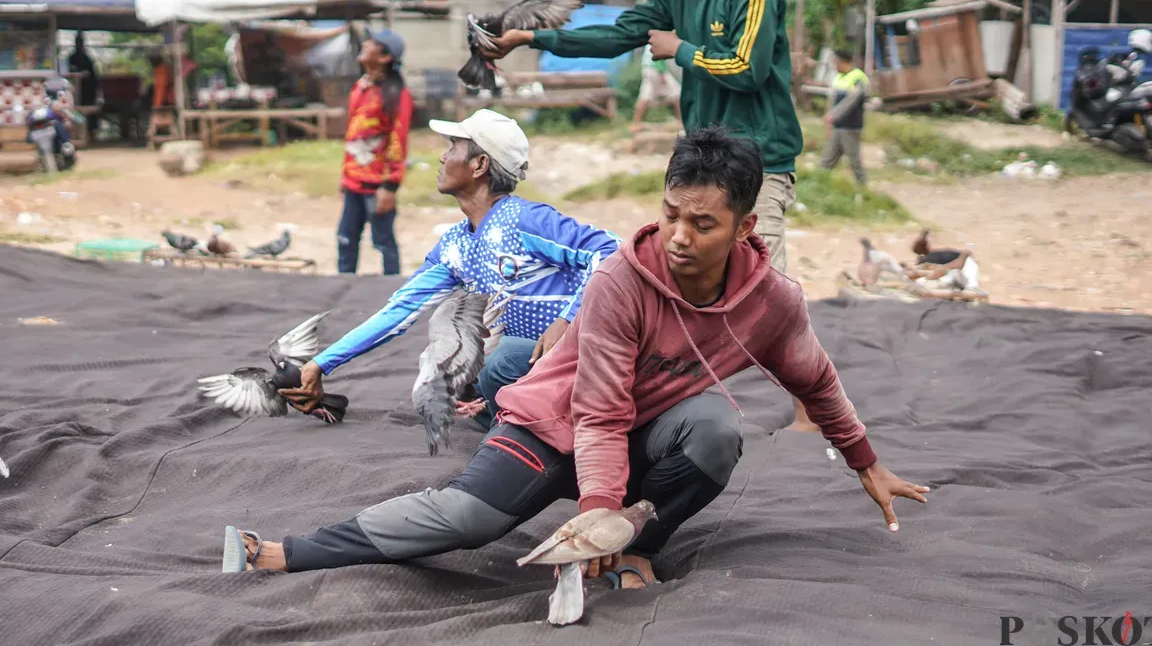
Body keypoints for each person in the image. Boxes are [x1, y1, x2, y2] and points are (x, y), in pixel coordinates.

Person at [224, 127, 929, 591]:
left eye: (703, 224)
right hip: (552, 426)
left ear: (746, 227)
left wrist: (866, 461)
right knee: (470, 522)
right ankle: (294, 548)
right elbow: (595, 414)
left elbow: (815, 377)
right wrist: (596, 509)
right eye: (672, 213)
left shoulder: (772, 299)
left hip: (642, 438)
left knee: (715, 426)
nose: (678, 236)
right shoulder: (623, 277)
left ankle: (639, 548)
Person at [477, 0, 803, 277]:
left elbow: (746, 70)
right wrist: (531, 38)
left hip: (759, 162)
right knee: (694, 281)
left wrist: (680, 48)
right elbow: (616, 35)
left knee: (764, 287)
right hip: (703, 159)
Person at [306, 107, 620, 427]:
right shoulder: (455, 247)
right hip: (529, 370)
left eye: (452, 147)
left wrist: (568, 320)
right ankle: (516, 419)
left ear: (479, 164)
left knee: (503, 357)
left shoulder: (528, 221)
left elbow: (610, 250)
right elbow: (397, 312)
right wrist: (321, 364)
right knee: (452, 373)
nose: (443, 158)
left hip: (581, 358)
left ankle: (533, 424)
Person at [337, 30, 413, 276]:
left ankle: (392, 296)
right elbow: (352, 136)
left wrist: (389, 187)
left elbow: (397, 141)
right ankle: (340, 295)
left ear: (384, 57)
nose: (366, 44)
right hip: (353, 182)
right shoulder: (359, 88)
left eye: (372, 43)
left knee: (384, 244)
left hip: (377, 185)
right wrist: (344, 175)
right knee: (345, 240)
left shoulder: (396, 95)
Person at [820, 49, 870, 186]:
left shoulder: (858, 78)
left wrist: (833, 115)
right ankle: (819, 185)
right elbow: (833, 101)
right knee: (826, 160)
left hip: (851, 127)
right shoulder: (838, 77)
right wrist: (829, 123)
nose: (834, 65)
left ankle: (863, 188)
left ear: (841, 62)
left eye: (835, 62)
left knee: (854, 162)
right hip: (837, 127)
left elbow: (851, 100)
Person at [629, 44, 683, 133]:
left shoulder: (650, 37)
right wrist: (661, 72)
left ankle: (635, 123)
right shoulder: (660, 35)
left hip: (648, 68)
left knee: (645, 95)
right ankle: (681, 121)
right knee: (676, 92)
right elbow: (657, 54)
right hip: (656, 68)